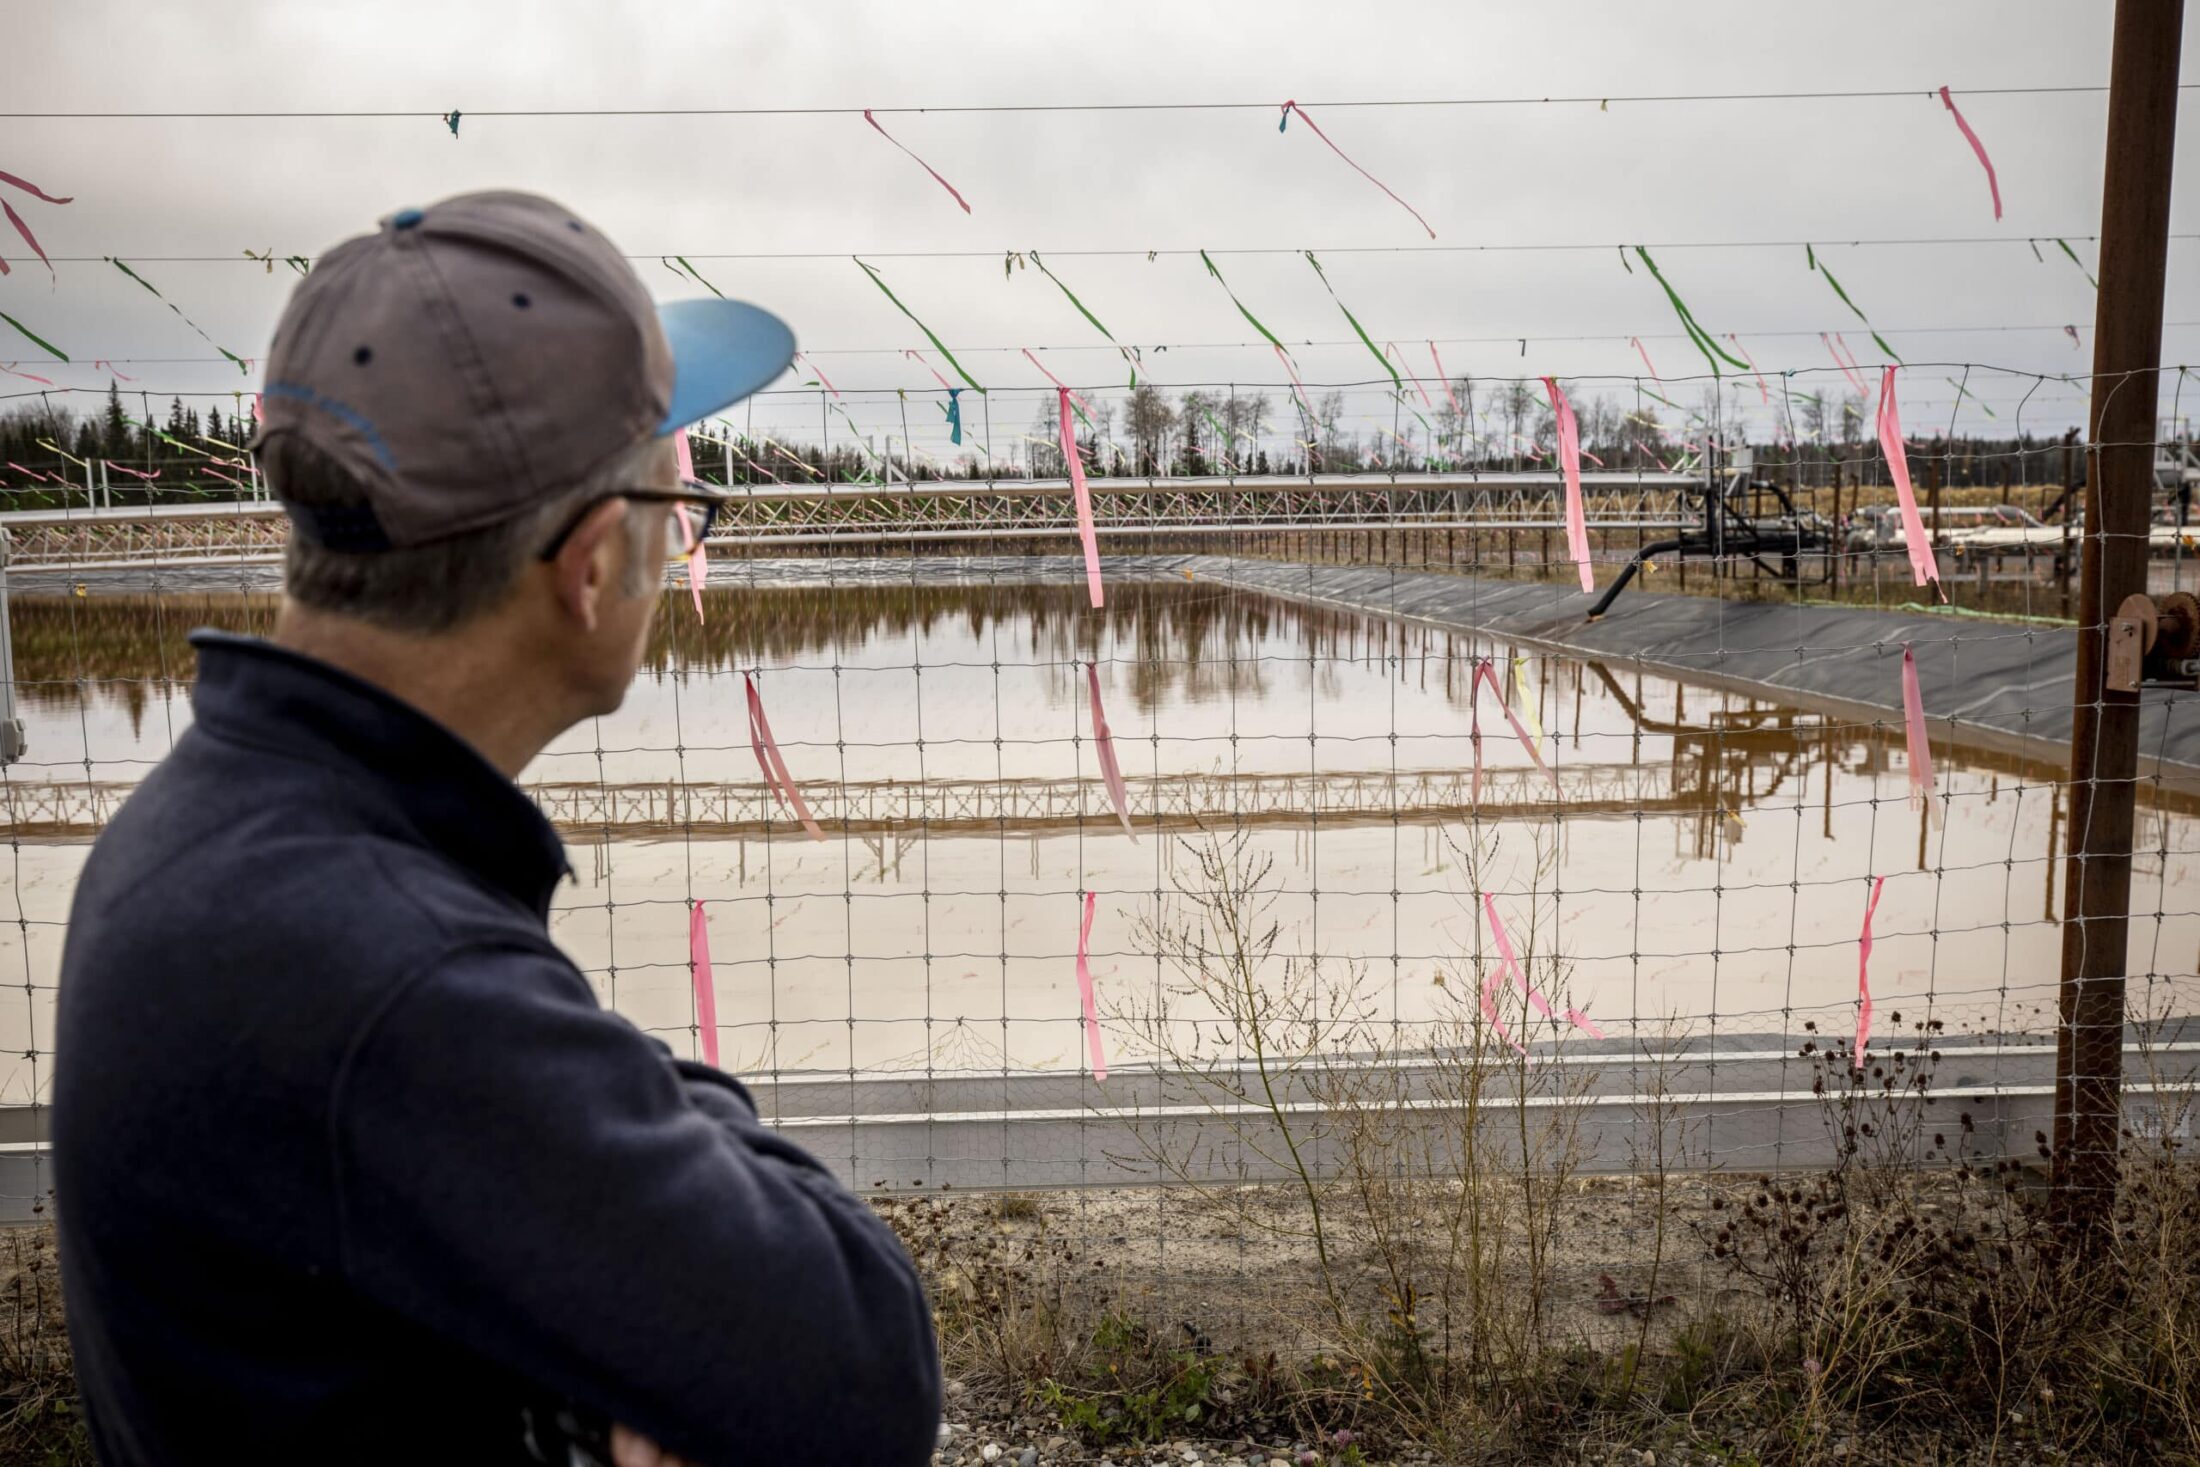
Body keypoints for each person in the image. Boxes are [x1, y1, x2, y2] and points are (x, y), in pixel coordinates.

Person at [52, 192, 941, 1466]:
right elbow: (858, 1369)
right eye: (675, 502)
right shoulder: (395, 980)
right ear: (591, 568)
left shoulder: (219, 825)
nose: (679, 538)